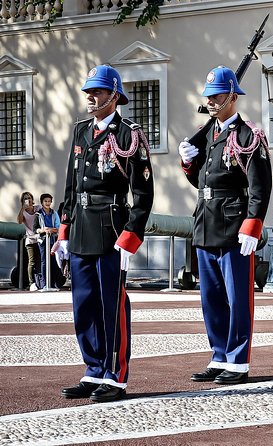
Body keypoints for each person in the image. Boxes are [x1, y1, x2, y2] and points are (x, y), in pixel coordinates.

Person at [53, 65, 154, 402]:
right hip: (81, 224)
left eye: (97, 91)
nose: (90, 97)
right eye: (88, 91)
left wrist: (131, 235)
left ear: (114, 95)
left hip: (111, 227)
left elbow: (143, 193)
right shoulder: (81, 131)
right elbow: (71, 183)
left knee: (112, 304)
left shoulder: (129, 134)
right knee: (83, 304)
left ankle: (115, 375)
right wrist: (63, 230)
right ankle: (93, 368)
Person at [178, 66, 272, 385]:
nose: (212, 101)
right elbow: (202, 180)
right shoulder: (208, 134)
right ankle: (219, 354)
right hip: (206, 222)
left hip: (234, 225)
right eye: (209, 97)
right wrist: (188, 162)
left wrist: (253, 224)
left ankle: (238, 360)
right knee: (212, 297)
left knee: (237, 297)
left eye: (217, 95)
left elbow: (260, 185)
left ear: (232, 96)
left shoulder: (248, 135)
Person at [34, 193, 62, 289]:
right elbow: (36, 229)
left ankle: (54, 283)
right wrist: (43, 230)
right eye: (45, 201)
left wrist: (51, 229)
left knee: (54, 262)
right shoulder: (38, 214)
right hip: (43, 241)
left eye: (49, 201)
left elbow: (58, 227)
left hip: (53, 240)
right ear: (42, 202)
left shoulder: (54, 213)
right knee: (44, 262)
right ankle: (44, 283)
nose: (47, 203)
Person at [16, 191, 41, 290]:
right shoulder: (24, 212)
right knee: (32, 261)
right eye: (26, 198)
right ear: (23, 201)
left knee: (41, 261)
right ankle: (31, 282)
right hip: (30, 239)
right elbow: (19, 221)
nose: (28, 200)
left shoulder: (37, 208)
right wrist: (23, 209)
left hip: (40, 238)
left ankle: (40, 280)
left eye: (29, 197)